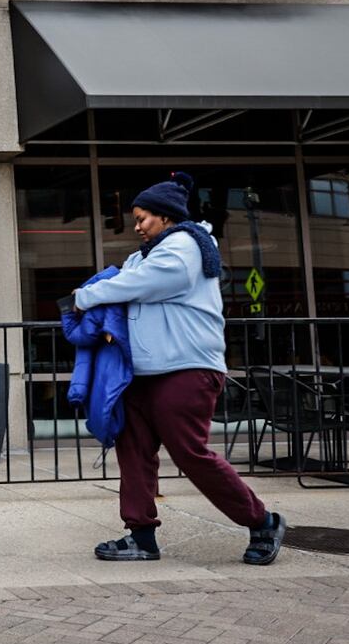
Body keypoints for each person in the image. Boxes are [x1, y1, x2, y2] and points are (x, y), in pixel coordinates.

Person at [72, 172, 286, 565]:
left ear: (166, 217)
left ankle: (263, 521)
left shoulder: (186, 246)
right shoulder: (145, 255)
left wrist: (85, 296)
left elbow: (138, 284)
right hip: (143, 372)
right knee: (132, 449)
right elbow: (128, 282)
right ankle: (140, 536)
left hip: (188, 367)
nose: (136, 226)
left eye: (142, 218)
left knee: (189, 452)